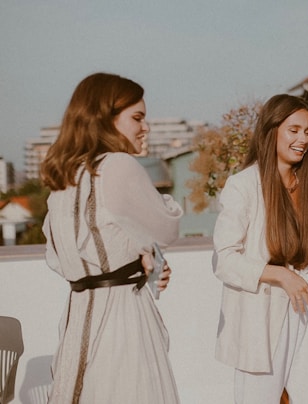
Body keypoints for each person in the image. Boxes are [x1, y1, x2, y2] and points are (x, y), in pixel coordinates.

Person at [40, 72, 183, 404]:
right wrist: (146, 250)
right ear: (105, 118)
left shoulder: (65, 176)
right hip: (121, 319)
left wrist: (138, 258)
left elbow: (59, 257)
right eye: (137, 118)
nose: (145, 127)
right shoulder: (118, 165)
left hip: (79, 316)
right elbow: (167, 229)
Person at [212, 94, 308, 404]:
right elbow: (224, 259)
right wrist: (280, 275)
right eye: (293, 130)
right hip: (262, 318)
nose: (302, 139)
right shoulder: (243, 185)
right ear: (272, 130)